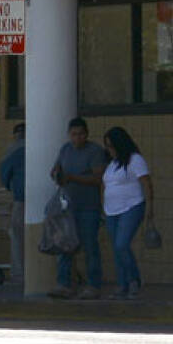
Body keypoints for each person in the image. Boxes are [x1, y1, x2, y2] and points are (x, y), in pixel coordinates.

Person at [48, 117, 109, 299]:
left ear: (87, 134)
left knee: (90, 246)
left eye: (81, 134)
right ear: (69, 135)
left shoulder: (95, 151)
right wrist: (58, 175)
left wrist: (73, 178)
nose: (77, 138)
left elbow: (98, 178)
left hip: (89, 207)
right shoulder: (65, 150)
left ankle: (94, 285)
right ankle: (64, 284)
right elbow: (55, 170)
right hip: (68, 207)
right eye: (74, 134)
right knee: (65, 245)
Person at [99, 126, 154, 300]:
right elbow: (105, 185)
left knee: (122, 244)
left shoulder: (134, 160)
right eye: (107, 146)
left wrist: (150, 208)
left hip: (131, 206)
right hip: (111, 210)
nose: (110, 150)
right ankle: (122, 284)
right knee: (117, 248)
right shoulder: (112, 164)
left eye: (112, 146)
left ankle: (133, 280)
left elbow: (146, 184)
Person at [0, 122, 26, 284]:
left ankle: (19, 274)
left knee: (17, 236)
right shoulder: (39, 144)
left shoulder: (12, 150)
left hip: (20, 198)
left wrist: (12, 187)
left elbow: (5, 175)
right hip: (43, 199)